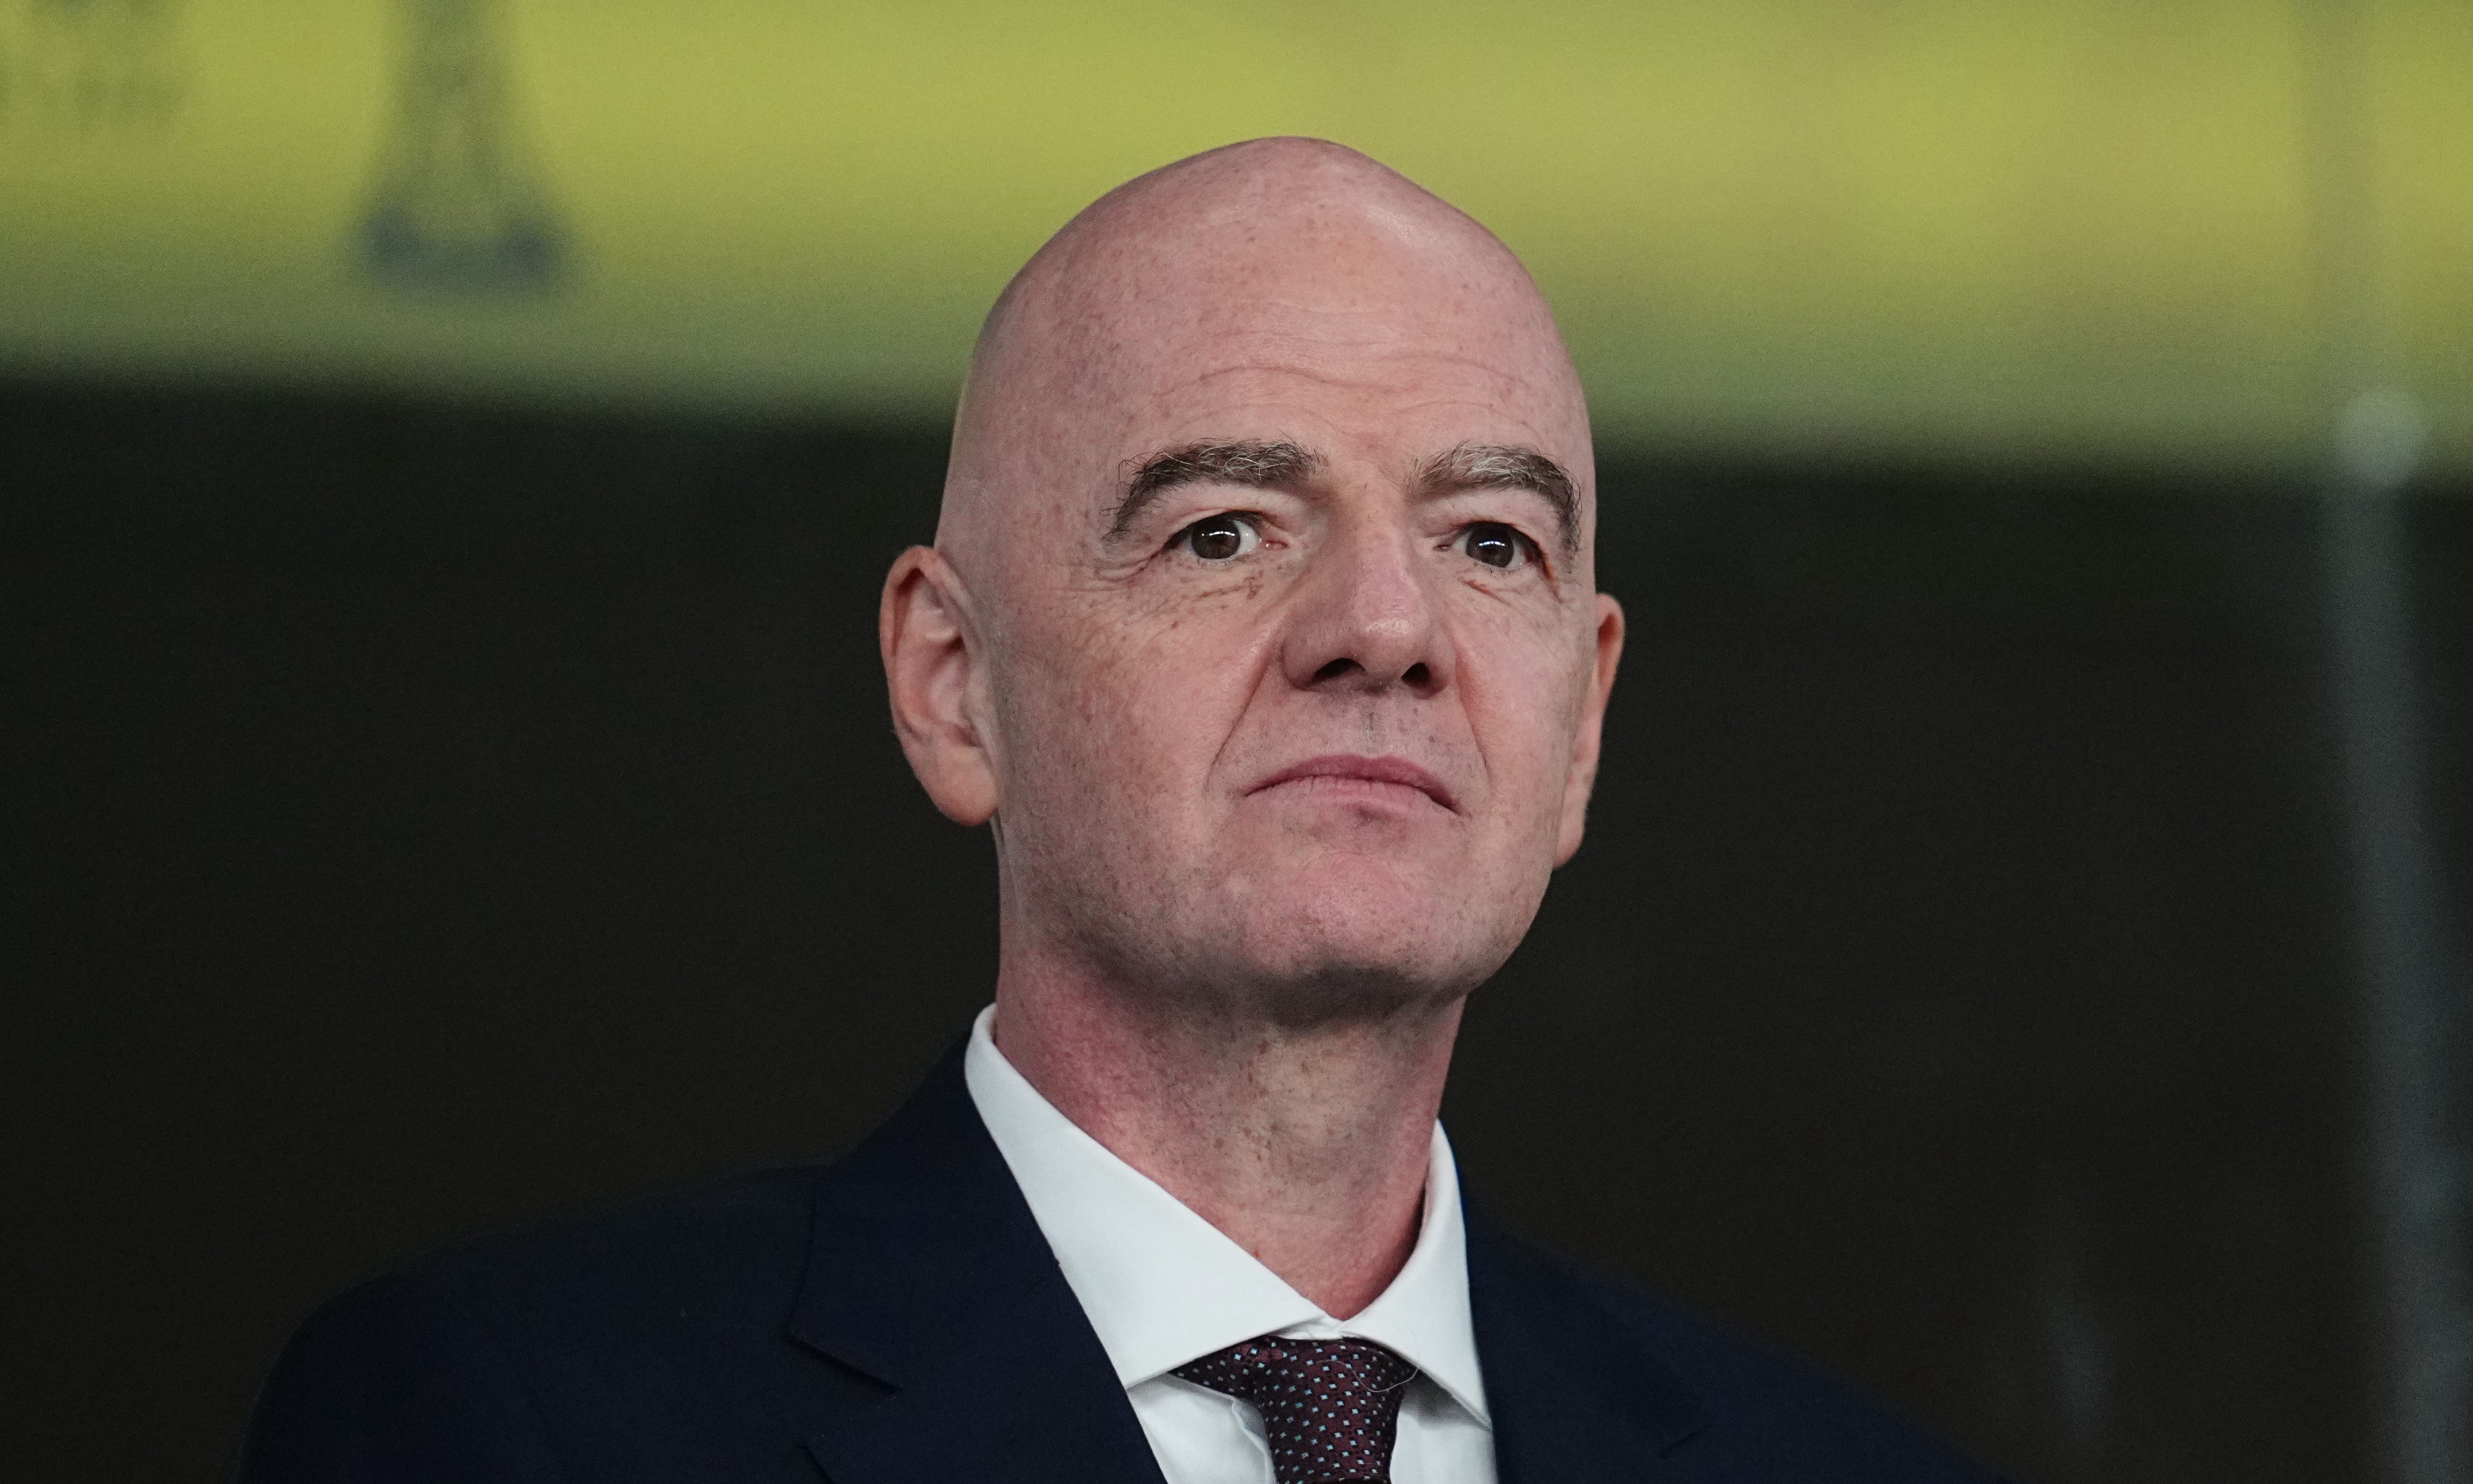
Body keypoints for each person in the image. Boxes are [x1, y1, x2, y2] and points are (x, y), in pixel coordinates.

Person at [237, 138, 1998, 1484]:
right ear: (953, 684)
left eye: (1490, 541)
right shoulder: (512, 1421)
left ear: (1585, 721)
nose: (1387, 628)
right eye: (1223, 529)